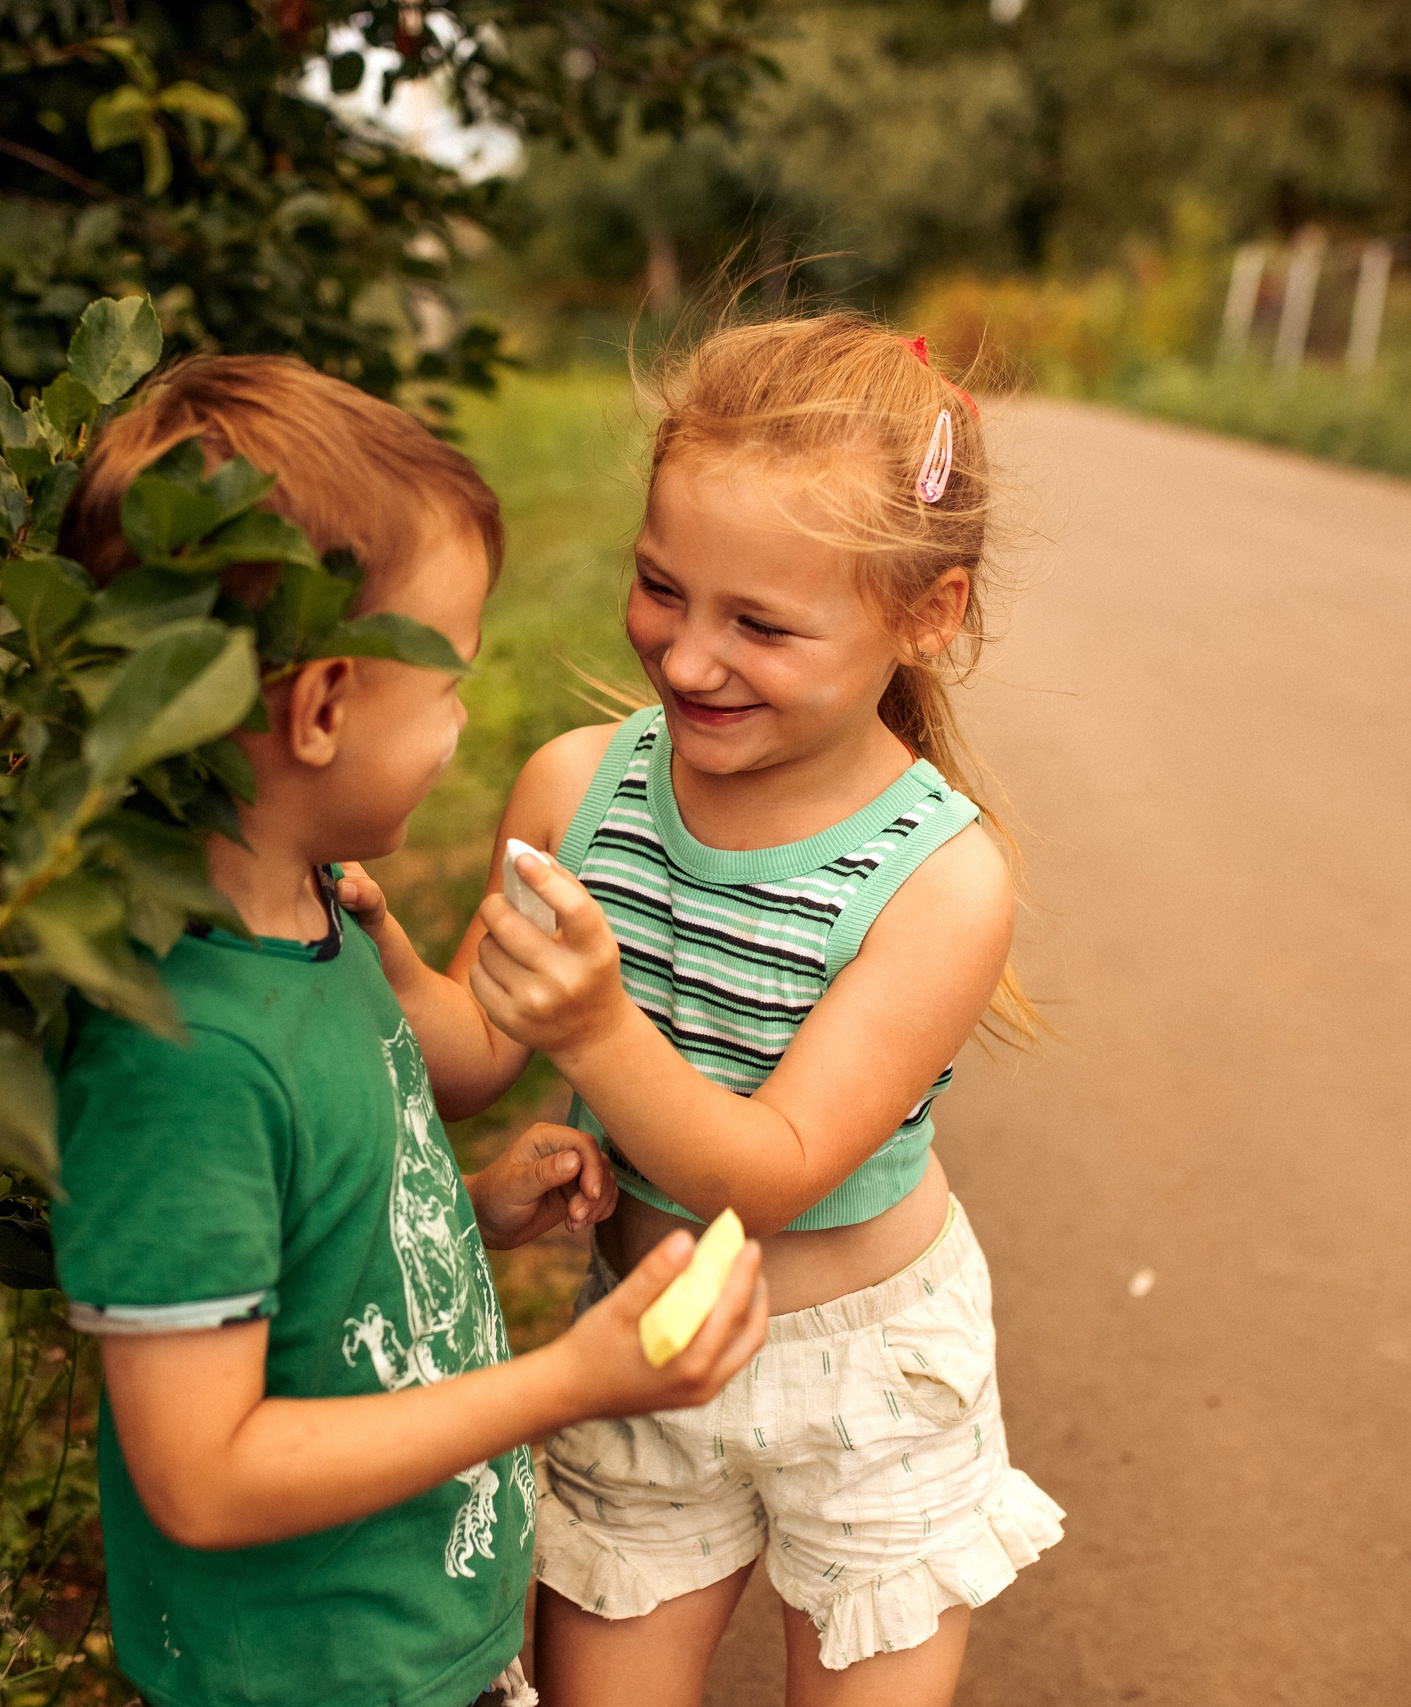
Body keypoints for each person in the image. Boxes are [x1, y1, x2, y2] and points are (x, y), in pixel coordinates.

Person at [334, 313, 1065, 1707]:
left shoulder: (941, 882)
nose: (687, 659)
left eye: (761, 624)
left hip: (871, 1382)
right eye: (662, 588)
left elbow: (773, 1176)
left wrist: (602, 1032)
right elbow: (478, 1059)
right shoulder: (574, 789)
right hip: (643, 1335)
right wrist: (373, 942)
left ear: (928, 614)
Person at [47, 354, 771, 1707]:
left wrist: (468, 1209)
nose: (461, 729)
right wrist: (565, 1380)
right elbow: (205, 1477)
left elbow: (311, 1225)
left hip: (421, 1644)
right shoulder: (181, 1057)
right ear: (322, 707)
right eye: (449, 686)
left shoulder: (316, 920)